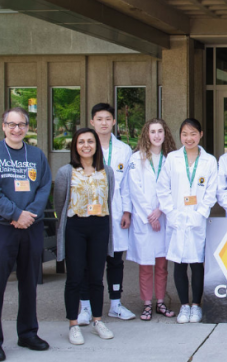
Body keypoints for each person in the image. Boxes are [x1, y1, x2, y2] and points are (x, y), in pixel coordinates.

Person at [0, 108, 52, 361]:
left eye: (21, 125)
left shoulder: (36, 155)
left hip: (30, 227)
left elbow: (44, 188)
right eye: (12, 124)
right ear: (3, 126)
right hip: (1, 227)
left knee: (29, 282)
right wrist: (14, 214)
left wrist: (28, 215)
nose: (17, 129)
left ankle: (28, 333)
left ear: (28, 127)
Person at [53, 128, 116, 345]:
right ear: (75, 146)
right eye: (81, 142)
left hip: (100, 226)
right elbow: (59, 204)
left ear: (97, 145)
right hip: (75, 227)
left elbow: (110, 198)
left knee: (97, 277)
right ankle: (73, 324)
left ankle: (98, 320)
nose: (86, 145)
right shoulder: (65, 172)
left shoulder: (107, 171)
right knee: (75, 278)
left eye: (90, 141)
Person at [76, 103, 135, 324]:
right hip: (89, 212)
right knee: (89, 260)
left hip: (116, 210)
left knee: (115, 260)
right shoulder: (84, 147)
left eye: (108, 119)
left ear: (113, 122)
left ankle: (116, 304)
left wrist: (127, 211)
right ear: (92, 122)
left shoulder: (123, 150)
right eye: (99, 119)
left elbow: (127, 185)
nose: (103, 123)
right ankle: (86, 306)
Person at [156, 118, 218, 324]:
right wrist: (171, 213)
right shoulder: (172, 159)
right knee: (179, 263)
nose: (188, 138)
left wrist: (200, 212)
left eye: (193, 133)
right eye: (184, 134)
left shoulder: (209, 161)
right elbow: (162, 189)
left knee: (197, 263)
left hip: (198, 219)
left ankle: (196, 305)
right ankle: (184, 305)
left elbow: (211, 191)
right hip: (177, 218)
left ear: (200, 135)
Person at [126, 119, 178, 321]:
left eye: (160, 131)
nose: (156, 135)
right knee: (146, 265)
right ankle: (147, 304)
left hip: (163, 218)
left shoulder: (170, 159)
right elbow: (134, 190)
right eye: (152, 131)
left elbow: (174, 188)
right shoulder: (136, 158)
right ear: (146, 135)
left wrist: (160, 211)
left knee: (162, 264)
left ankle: (160, 303)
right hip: (145, 220)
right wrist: (150, 215)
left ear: (165, 134)